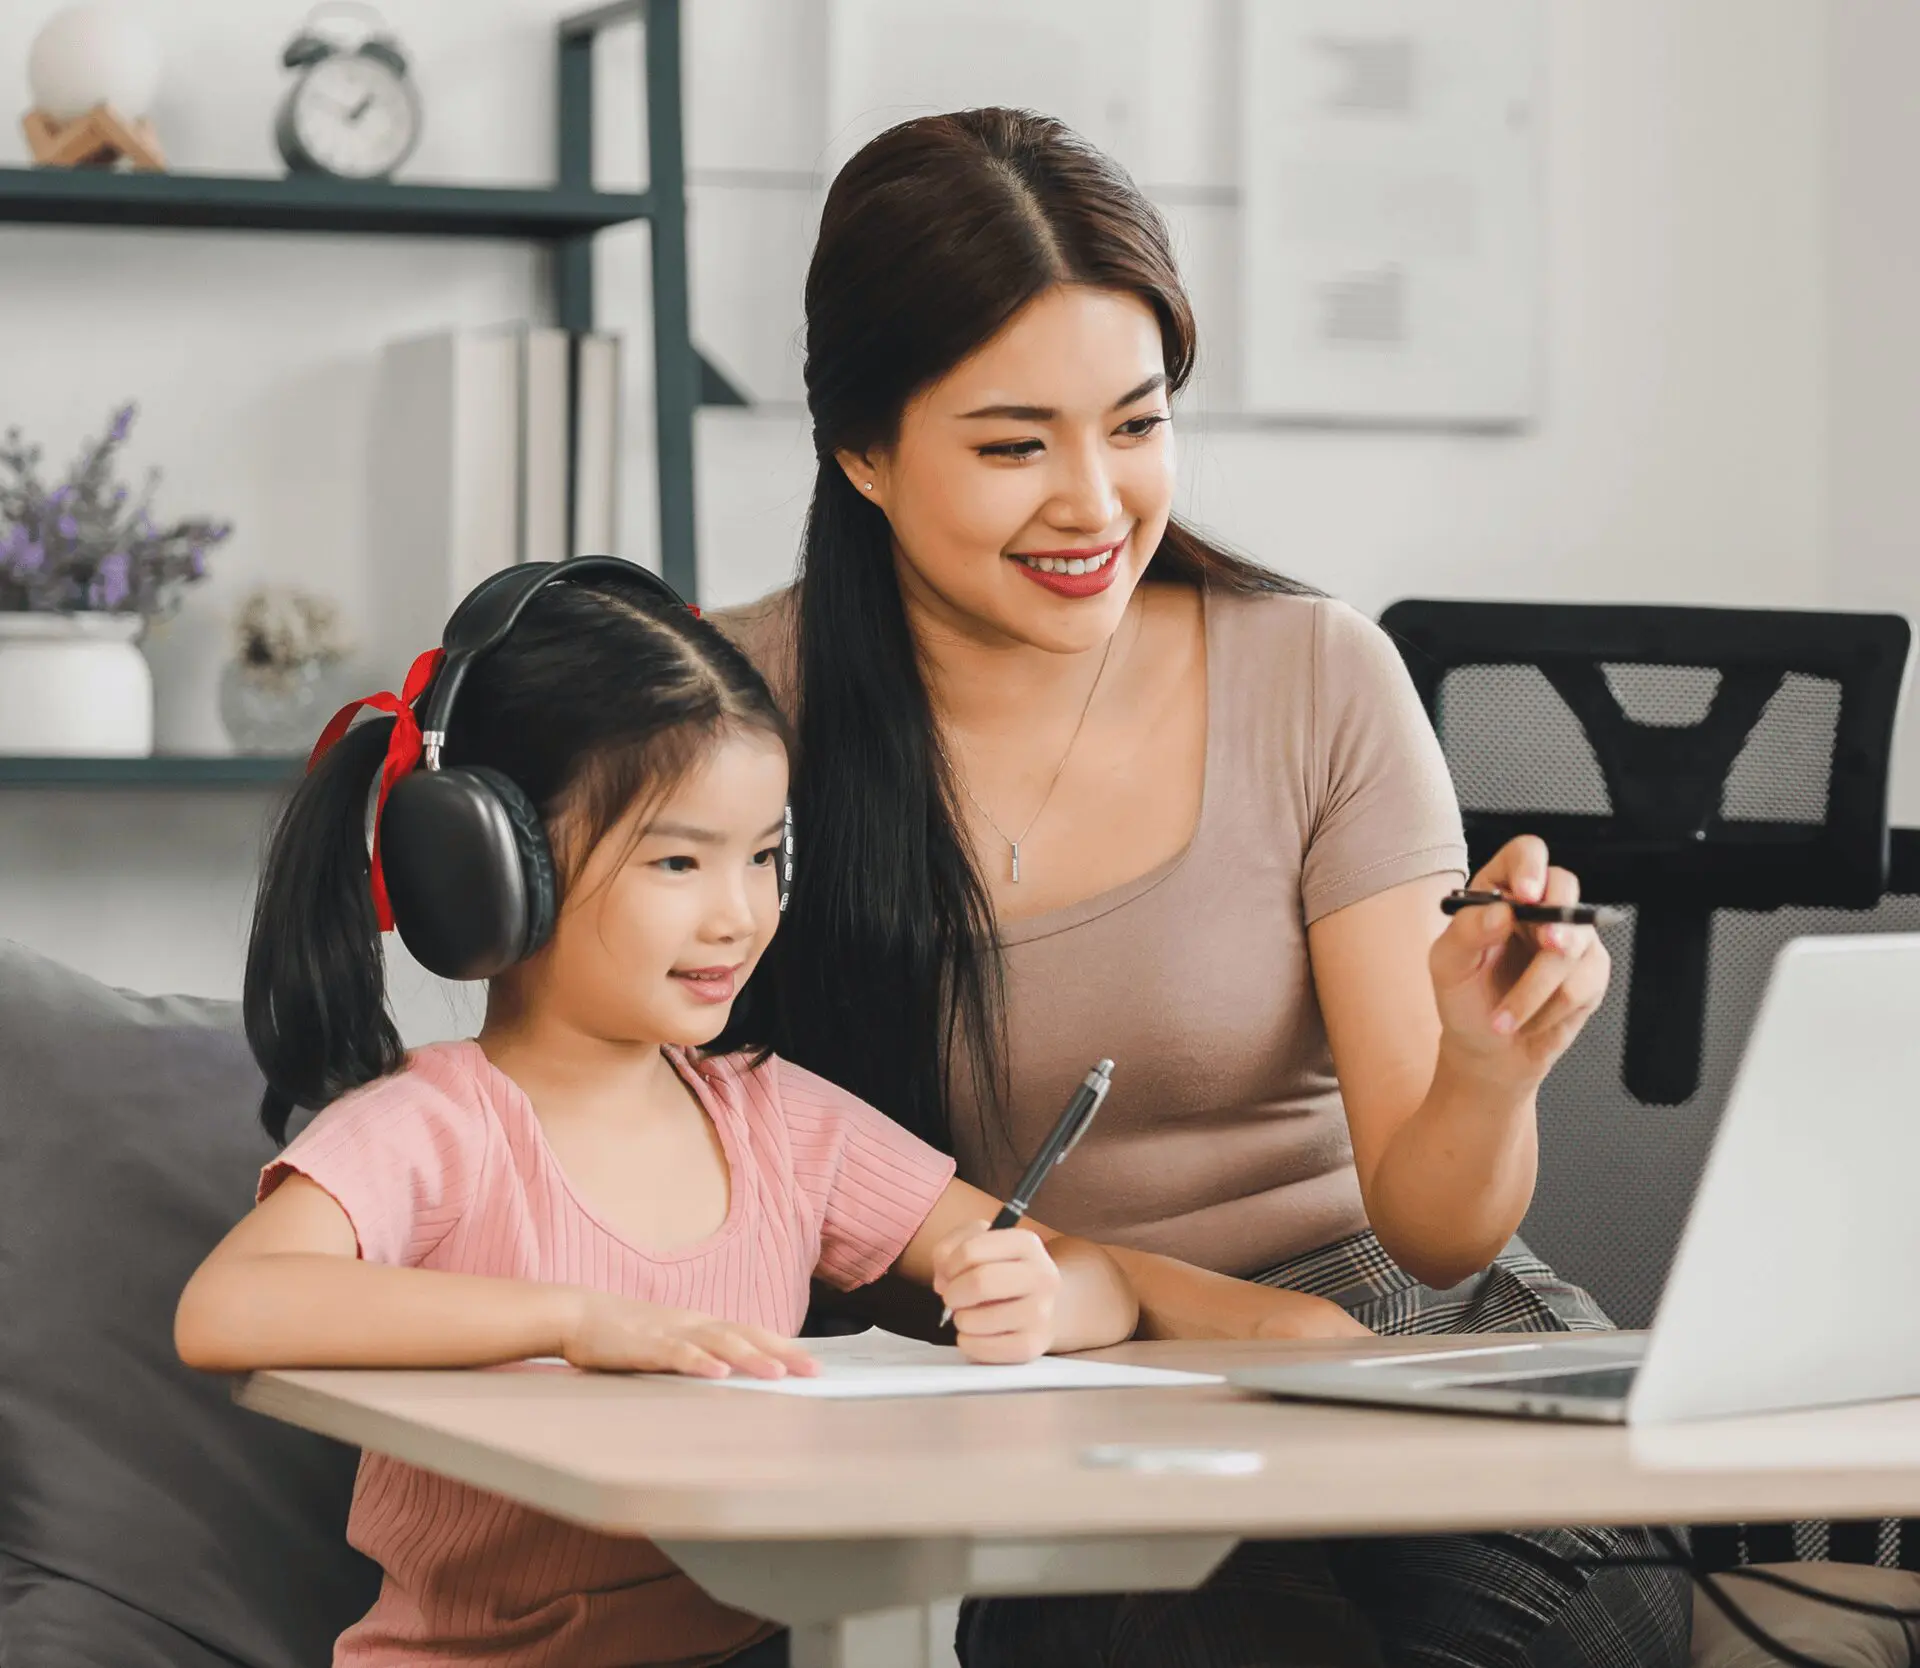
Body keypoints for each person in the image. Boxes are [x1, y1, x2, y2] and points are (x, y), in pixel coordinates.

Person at [715, 109, 1693, 1667]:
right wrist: (1133, 1299)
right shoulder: (726, 715)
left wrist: (1488, 1070)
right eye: (1015, 445)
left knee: (1543, 1634)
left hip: (1383, 1336)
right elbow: (670, 1146)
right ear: (865, 453)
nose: (1095, 503)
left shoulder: (1314, 674)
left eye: (1137, 423)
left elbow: (1438, 1233)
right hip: (1033, 1381)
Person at [173, 562, 1142, 1668]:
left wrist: (1036, 1300)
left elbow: (1094, 1277)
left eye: (765, 857)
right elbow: (229, 1307)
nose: (739, 915)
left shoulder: (780, 1124)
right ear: (493, 869)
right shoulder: (439, 1127)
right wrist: (573, 1324)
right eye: (678, 860)